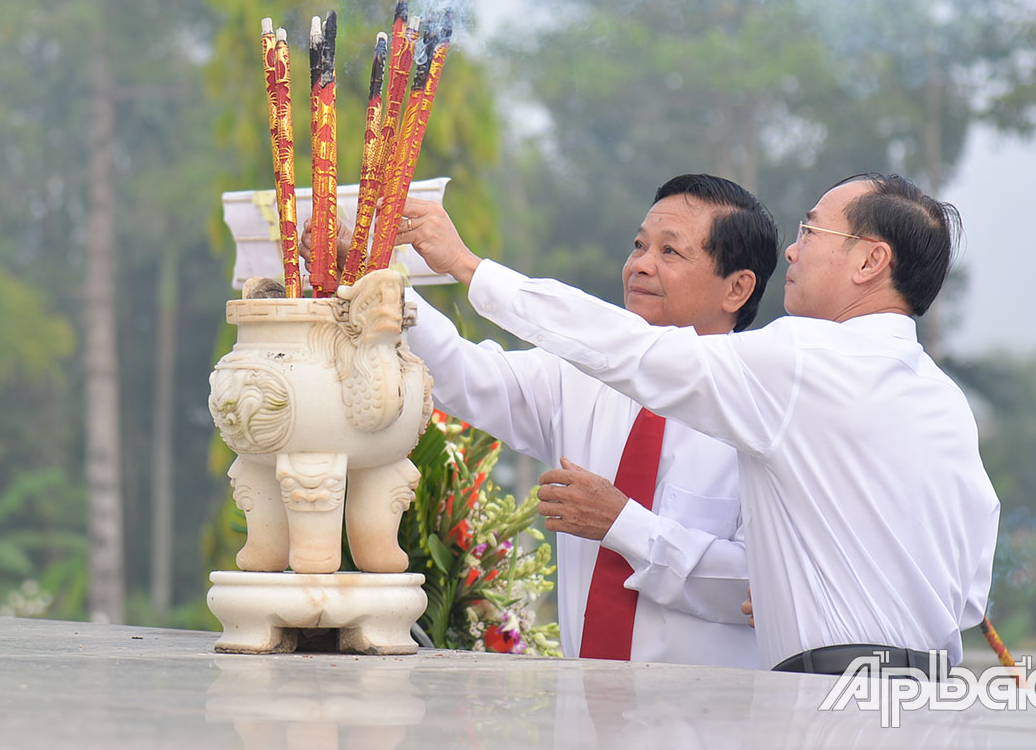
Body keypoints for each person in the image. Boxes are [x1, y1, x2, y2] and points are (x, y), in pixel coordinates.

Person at [397, 172, 1000, 677]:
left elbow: (631, 351)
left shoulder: (791, 366)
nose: (795, 250)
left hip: (800, 697)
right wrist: (387, 288)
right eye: (640, 245)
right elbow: (970, 589)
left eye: (811, 231)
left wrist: (467, 266)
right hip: (921, 690)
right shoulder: (942, 400)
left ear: (870, 260)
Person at [391, 174, 779, 667]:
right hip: (581, 713)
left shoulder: (763, 408)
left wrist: (624, 524)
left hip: (706, 724)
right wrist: (381, 284)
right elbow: (462, 374)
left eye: (670, 252)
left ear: (737, 288)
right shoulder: (580, 376)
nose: (640, 265)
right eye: (639, 245)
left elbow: (759, 588)